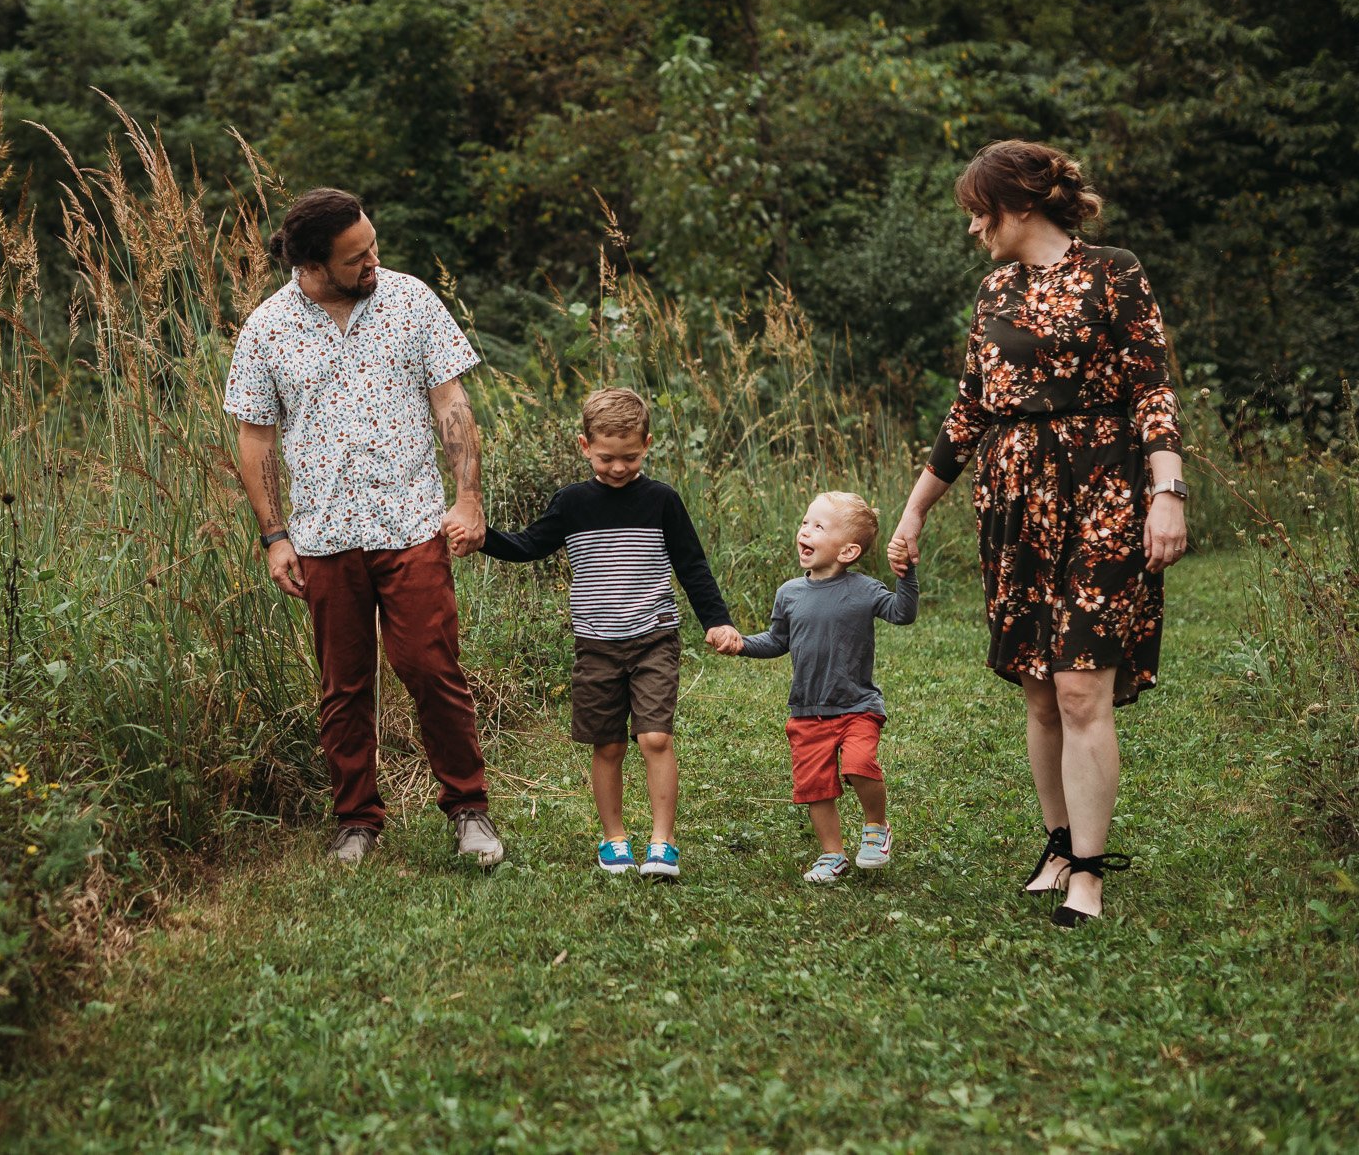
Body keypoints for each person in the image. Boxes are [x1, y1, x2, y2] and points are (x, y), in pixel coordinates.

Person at [887, 140, 1187, 927]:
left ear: (1017, 205)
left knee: (1083, 682)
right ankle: (1056, 842)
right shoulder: (993, 292)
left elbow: (1153, 389)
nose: (974, 227)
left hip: (1104, 487)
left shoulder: (1115, 270)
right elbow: (969, 410)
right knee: (1039, 686)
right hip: (1013, 497)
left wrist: (1168, 491)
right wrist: (917, 507)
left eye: (979, 211)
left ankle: (1088, 870)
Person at [224, 187, 505, 868]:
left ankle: (470, 810)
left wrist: (468, 497)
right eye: (358, 255)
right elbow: (255, 439)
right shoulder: (267, 329)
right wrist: (274, 535)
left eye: (373, 243)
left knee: (429, 665)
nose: (374, 259)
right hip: (322, 535)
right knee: (343, 686)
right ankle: (356, 820)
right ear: (314, 262)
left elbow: (452, 401)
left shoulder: (411, 300)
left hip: (410, 520)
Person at [473, 387, 744, 879]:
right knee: (608, 744)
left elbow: (692, 565)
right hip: (596, 643)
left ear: (647, 444)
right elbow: (529, 545)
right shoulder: (572, 503)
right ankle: (614, 838)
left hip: (653, 636)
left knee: (655, 736)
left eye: (630, 457)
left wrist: (717, 620)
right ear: (584, 445)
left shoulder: (662, 501)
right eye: (605, 458)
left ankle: (663, 842)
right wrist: (481, 536)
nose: (618, 468)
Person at [715, 493, 918, 884]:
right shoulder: (789, 593)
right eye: (805, 522)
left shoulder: (864, 589)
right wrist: (741, 643)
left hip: (857, 704)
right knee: (815, 787)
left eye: (818, 527)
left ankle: (877, 827)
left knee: (859, 765)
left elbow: (902, 613)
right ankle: (832, 854)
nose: (804, 531)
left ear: (848, 550)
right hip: (807, 711)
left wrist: (906, 575)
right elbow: (777, 641)